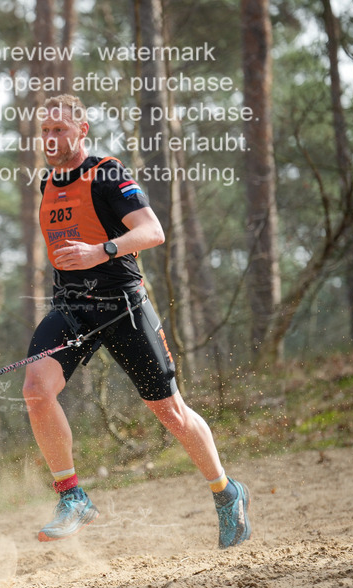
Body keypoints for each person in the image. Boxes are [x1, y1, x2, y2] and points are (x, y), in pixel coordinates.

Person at [22, 93, 251, 549]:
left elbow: (153, 232)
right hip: (73, 308)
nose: (51, 139)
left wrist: (100, 250)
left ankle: (226, 493)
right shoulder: (46, 181)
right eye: (45, 130)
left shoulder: (107, 173)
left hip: (123, 306)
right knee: (35, 390)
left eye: (60, 130)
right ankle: (72, 496)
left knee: (170, 412)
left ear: (81, 131)